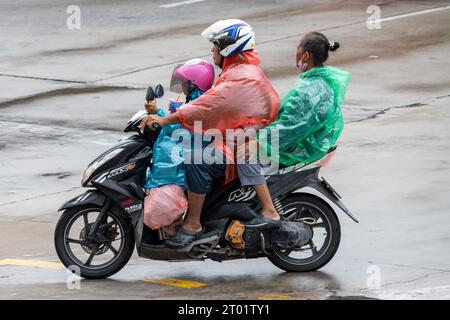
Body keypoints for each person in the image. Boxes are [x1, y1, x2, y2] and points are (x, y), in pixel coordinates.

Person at [140, 19, 280, 248]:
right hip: (234, 139)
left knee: (196, 160)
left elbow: (206, 107)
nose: (212, 49)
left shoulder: (240, 76)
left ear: (228, 46)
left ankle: (194, 223)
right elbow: (207, 107)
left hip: (240, 144)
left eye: (215, 45)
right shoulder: (237, 71)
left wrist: (165, 119)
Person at [259, 31, 351, 168]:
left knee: (241, 158)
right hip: (312, 144)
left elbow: (290, 128)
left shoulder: (309, 90)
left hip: (296, 151)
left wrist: (258, 140)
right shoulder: (324, 81)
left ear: (306, 56)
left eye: (298, 48)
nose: (295, 53)